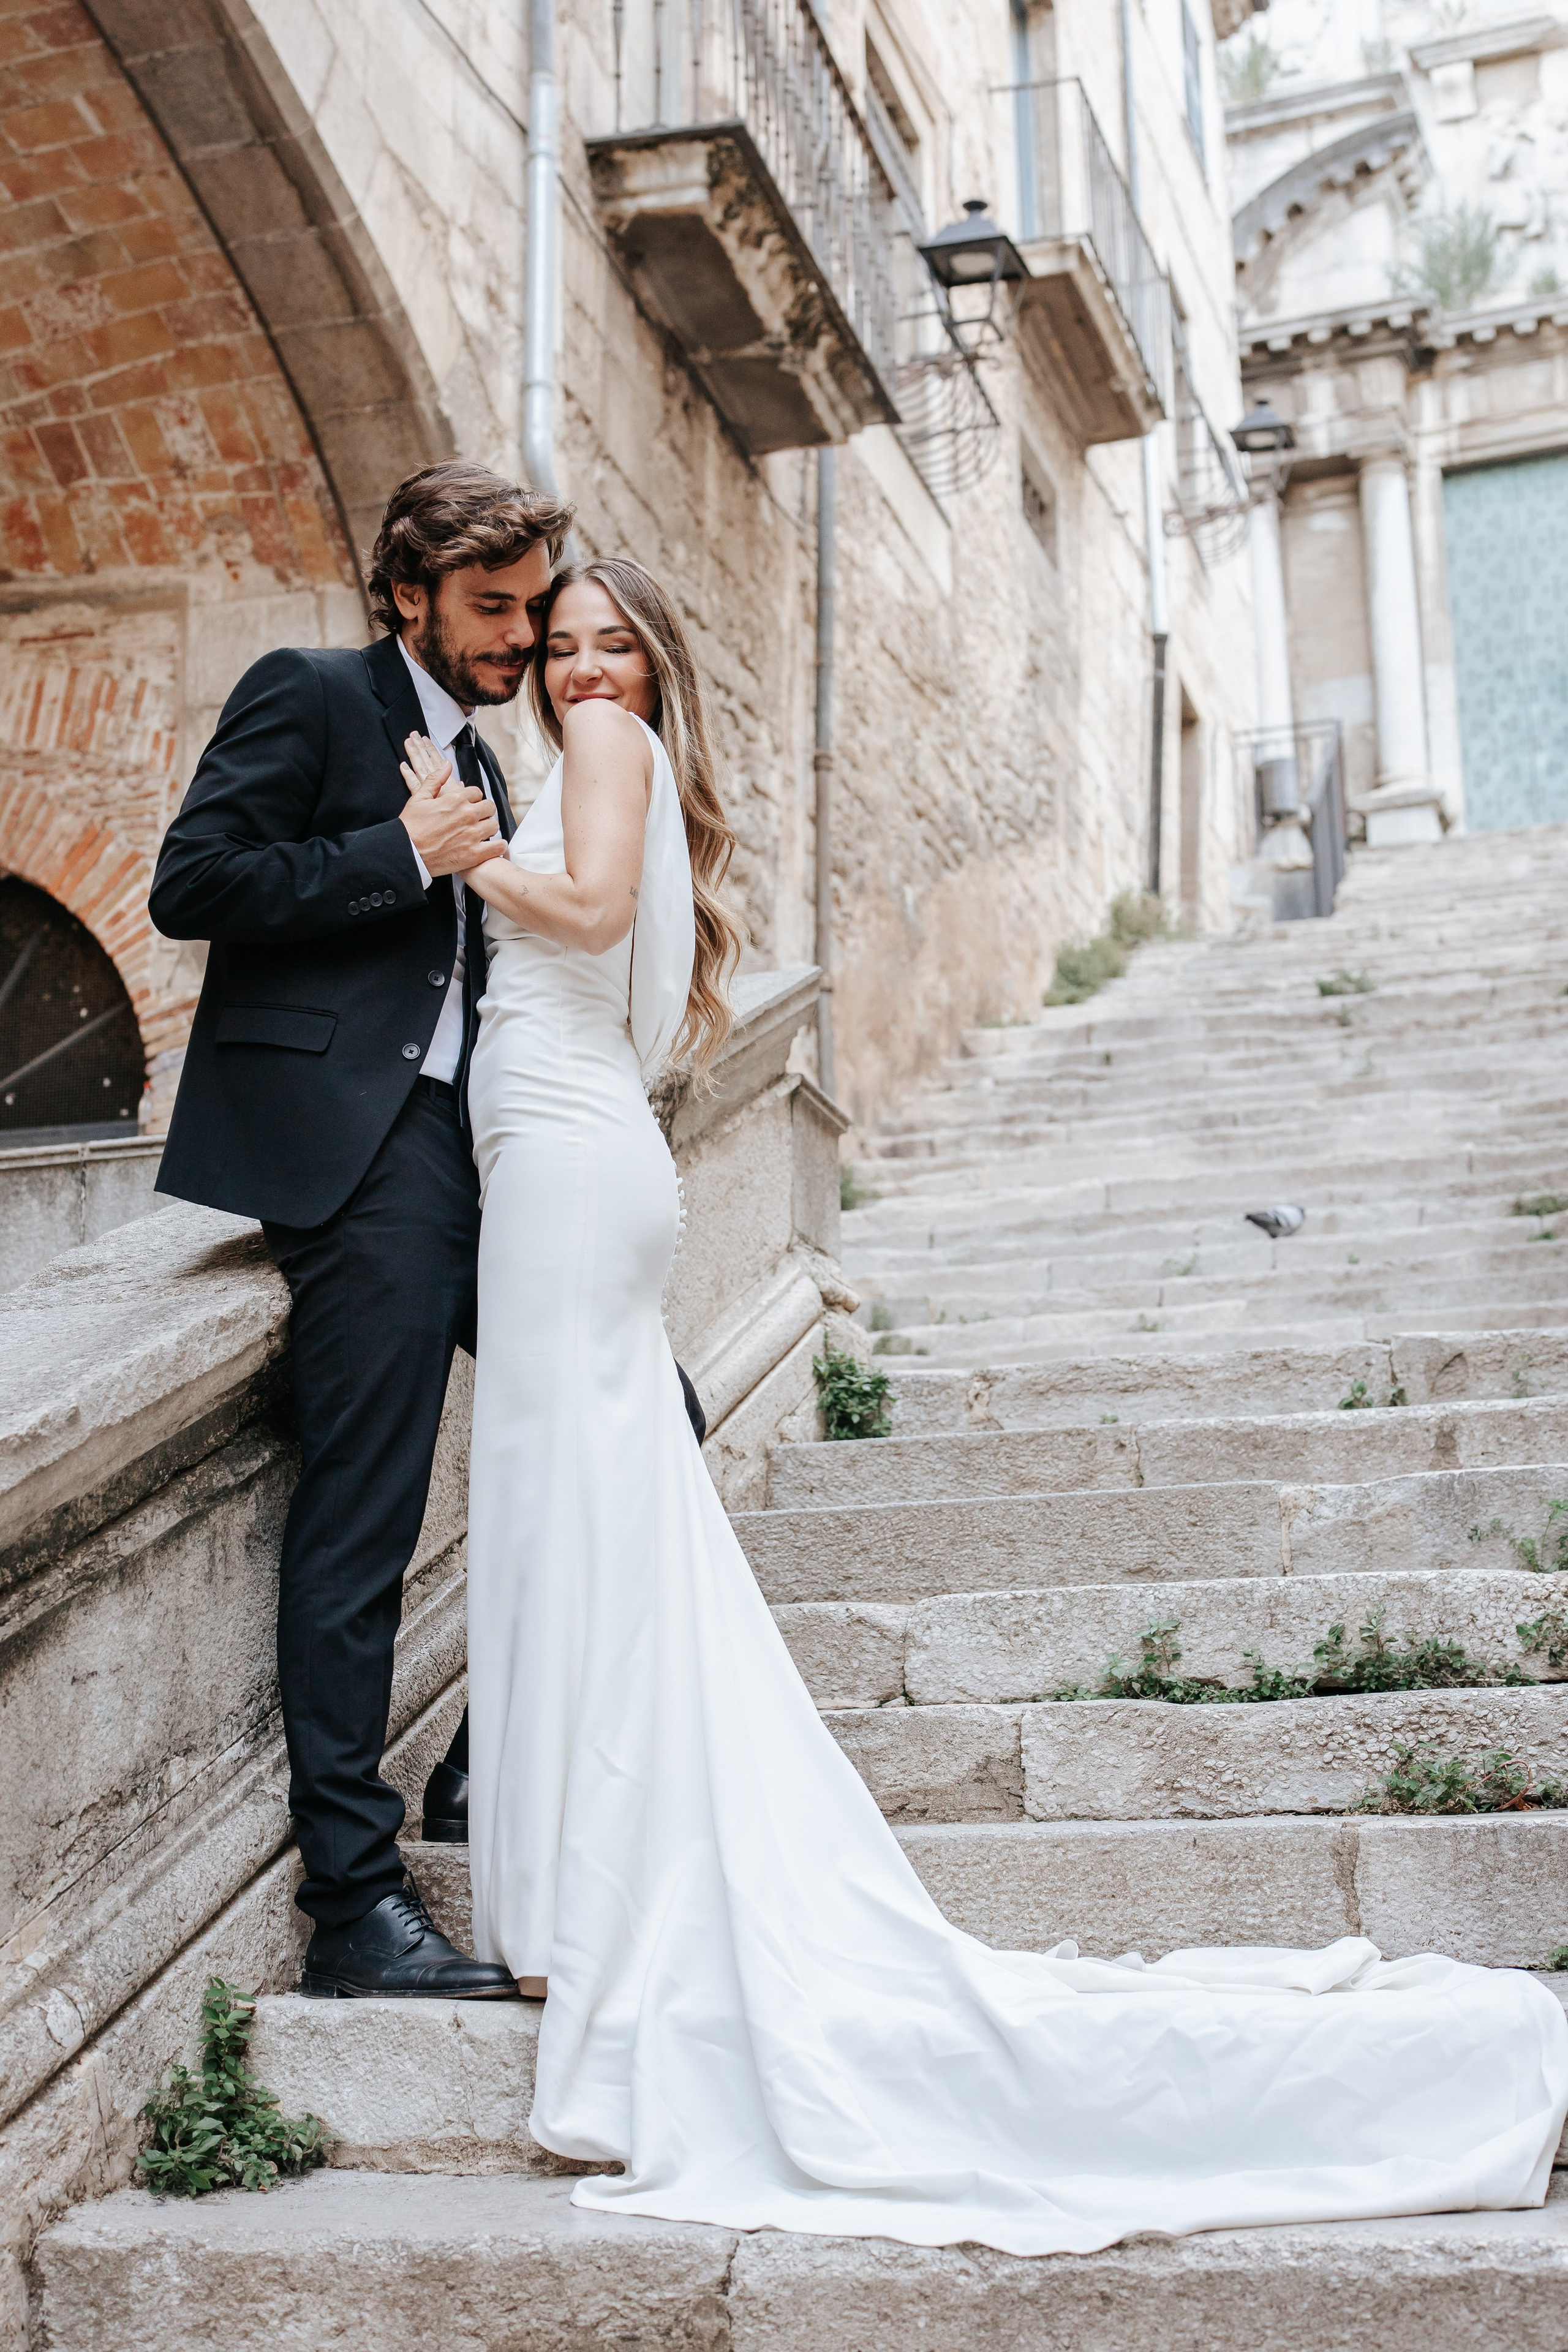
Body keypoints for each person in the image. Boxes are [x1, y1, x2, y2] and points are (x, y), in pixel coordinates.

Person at [402, 552, 1568, 2253]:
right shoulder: (634, 766)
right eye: (559, 645)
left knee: (566, 1516)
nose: (576, 670)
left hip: (569, 1177)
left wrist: (469, 855)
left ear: (654, 668)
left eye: (608, 647)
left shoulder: (595, 758)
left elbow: (575, 920)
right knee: (606, 1523)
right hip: (594, 1161)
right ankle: (579, 1897)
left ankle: (575, 1908)